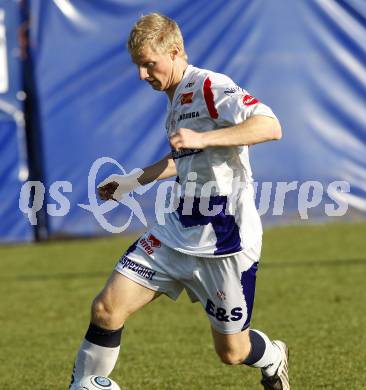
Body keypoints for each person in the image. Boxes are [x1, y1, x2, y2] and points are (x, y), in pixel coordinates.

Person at [69, 12, 289, 390]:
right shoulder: (176, 98)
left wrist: (202, 139)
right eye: (138, 66)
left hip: (225, 243)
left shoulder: (208, 85)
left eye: (148, 64)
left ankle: (273, 357)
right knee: (106, 309)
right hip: (176, 233)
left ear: (173, 52)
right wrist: (132, 181)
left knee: (232, 352)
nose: (142, 75)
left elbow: (270, 125)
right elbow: (184, 159)